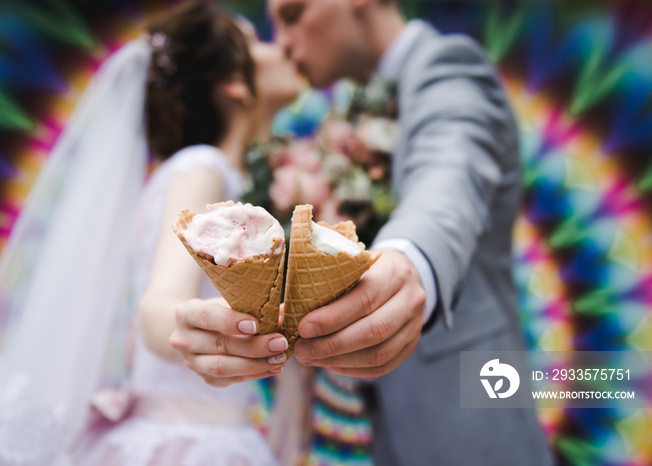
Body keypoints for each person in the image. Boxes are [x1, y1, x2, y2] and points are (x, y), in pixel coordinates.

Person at [172, 0, 553, 464]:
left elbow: (450, 175)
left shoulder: (450, 67)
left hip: (472, 413)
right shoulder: (353, 111)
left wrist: (409, 262)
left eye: (292, 15)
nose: (282, 42)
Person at [0, 2, 301, 465]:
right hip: (192, 444)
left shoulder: (208, 176)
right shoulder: (202, 170)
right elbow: (160, 306)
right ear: (235, 84)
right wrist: (210, 329)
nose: (281, 50)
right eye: (259, 42)